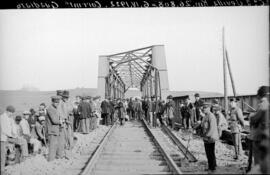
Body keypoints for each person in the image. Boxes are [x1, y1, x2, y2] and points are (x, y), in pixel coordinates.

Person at [1, 106, 27, 174]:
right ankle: (2, 170)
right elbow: (4, 130)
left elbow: (13, 127)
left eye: (12, 113)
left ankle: (24, 158)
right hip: (3, 138)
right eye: (10, 112)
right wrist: (12, 135)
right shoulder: (2, 118)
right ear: (7, 111)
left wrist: (15, 135)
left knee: (23, 141)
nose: (11, 114)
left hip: (10, 137)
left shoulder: (10, 118)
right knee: (3, 154)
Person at [249, 86, 269, 174]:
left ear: (260, 95)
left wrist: (251, 116)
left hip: (260, 137)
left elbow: (254, 119)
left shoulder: (263, 104)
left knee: (258, 162)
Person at [201, 102, 219, 172]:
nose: (203, 109)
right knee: (208, 153)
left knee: (210, 153)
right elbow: (203, 125)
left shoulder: (211, 116)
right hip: (206, 137)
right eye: (203, 108)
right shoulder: (206, 115)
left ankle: (212, 167)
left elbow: (212, 128)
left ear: (208, 108)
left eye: (205, 108)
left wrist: (206, 136)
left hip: (210, 137)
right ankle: (211, 166)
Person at [46, 96, 65, 161]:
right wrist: (61, 121)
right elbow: (54, 120)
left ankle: (58, 156)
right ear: (52, 102)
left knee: (58, 144)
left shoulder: (55, 108)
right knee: (52, 146)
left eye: (58, 102)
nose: (57, 104)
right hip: (52, 130)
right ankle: (50, 160)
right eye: (55, 102)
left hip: (56, 129)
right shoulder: (50, 109)